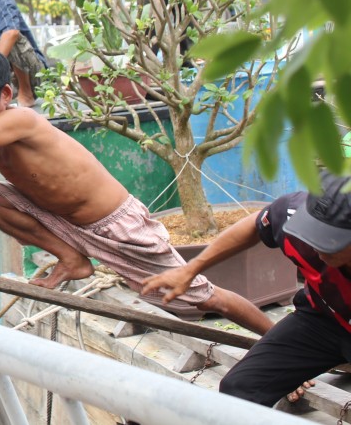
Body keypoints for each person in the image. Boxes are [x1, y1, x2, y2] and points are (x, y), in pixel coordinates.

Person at [0, 48, 272, 334]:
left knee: (204, 300)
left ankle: (273, 338)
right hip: (64, 222)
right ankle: (72, 259)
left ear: (6, 95)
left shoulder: (19, 121)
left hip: (116, 225)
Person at [142, 173, 351, 407]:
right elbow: (256, 224)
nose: (315, 245)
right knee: (240, 388)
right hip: (324, 320)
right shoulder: (291, 216)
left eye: (329, 241)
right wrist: (190, 270)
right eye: (313, 232)